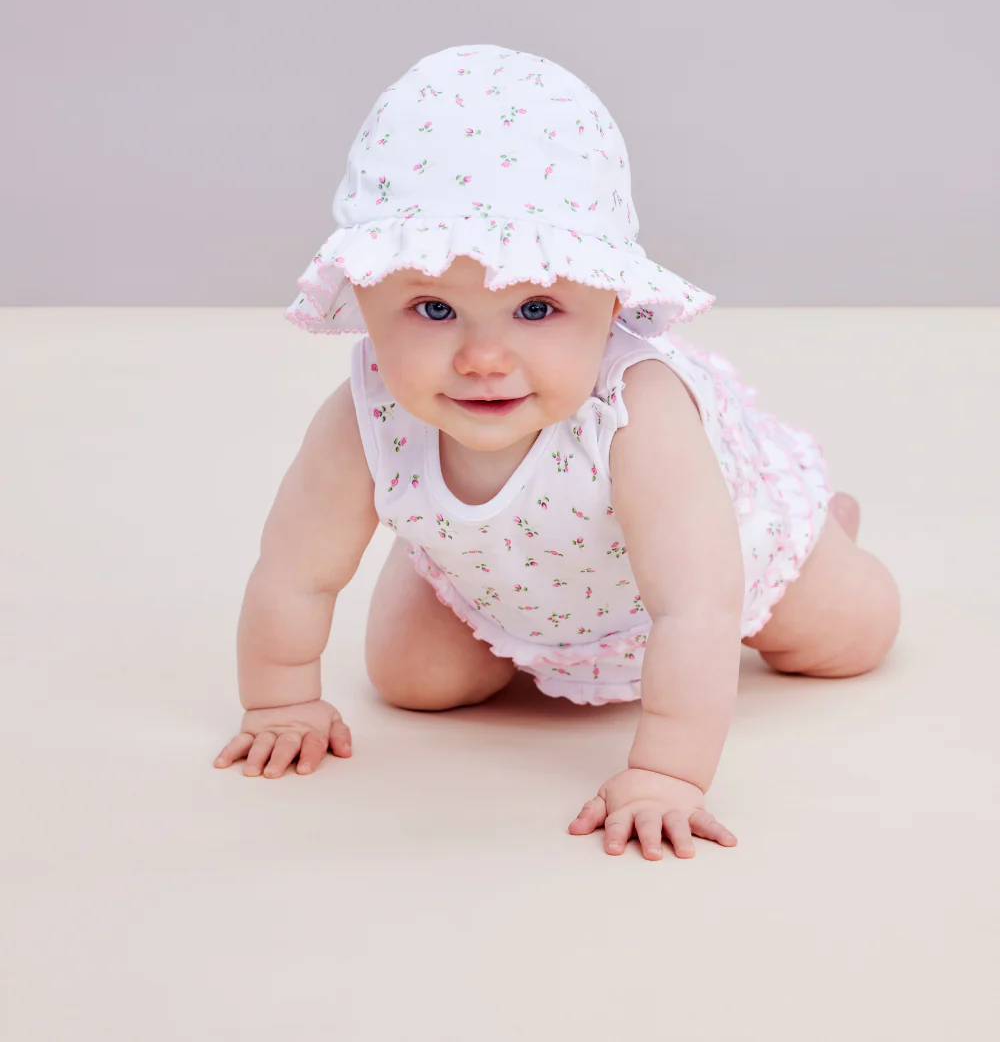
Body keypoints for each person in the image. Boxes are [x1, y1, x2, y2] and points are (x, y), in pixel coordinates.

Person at [214, 43, 901, 860]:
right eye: (433, 310)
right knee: (411, 682)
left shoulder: (634, 412)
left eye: (536, 309)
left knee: (855, 635)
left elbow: (696, 606)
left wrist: (667, 774)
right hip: (519, 587)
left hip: (717, 570)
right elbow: (295, 570)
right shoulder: (367, 412)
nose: (482, 359)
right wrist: (281, 702)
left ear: (609, 301)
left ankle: (825, 528)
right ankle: (451, 542)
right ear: (366, 298)